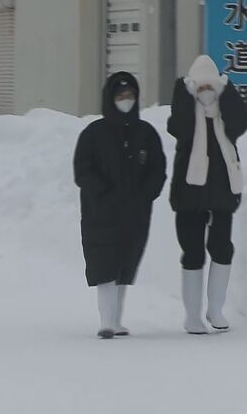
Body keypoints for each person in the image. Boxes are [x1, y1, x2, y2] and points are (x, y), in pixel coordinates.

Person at [74, 72, 167, 339]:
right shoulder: (93, 134)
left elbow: (157, 169)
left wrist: (146, 194)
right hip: (100, 212)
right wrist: (102, 192)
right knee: (104, 262)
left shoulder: (146, 134)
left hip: (134, 213)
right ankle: (106, 321)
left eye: (130, 96)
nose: (125, 101)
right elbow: (83, 170)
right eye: (120, 96)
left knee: (125, 263)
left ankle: (116, 319)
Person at [167, 55, 247, 334]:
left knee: (222, 250)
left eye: (211, 88)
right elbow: (178, 120)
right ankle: (192, 315)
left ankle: (215, 309)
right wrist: (182, 87)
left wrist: (226, 90)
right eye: (200, 89)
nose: (206, 94)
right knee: (192, 252)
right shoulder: (186, 121)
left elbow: (244, 118)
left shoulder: (226, 120)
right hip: (189, 198)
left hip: (221, 198)